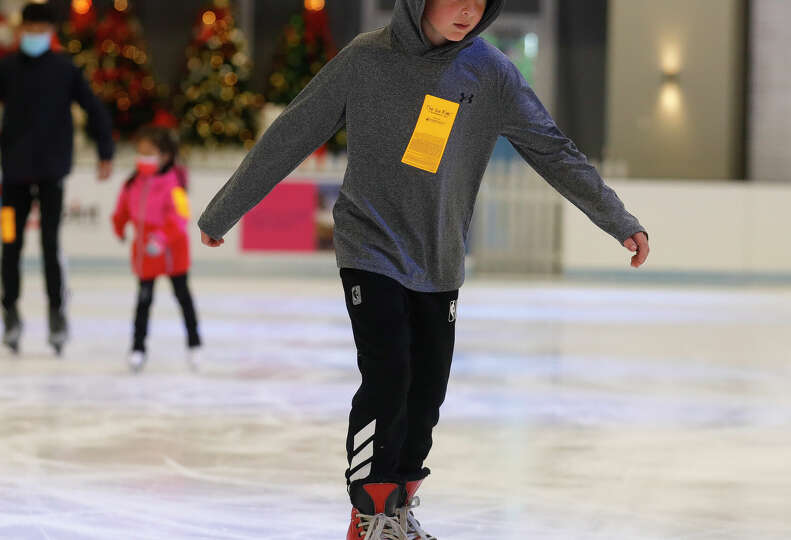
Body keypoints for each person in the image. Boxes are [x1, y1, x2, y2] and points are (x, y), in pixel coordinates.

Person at [198, 0, 650, 538]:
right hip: (370, 248)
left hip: (439, 258)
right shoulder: (365, 60)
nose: (468, 11)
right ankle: (369, 513)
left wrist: (617, 219)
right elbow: (290, 134)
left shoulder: (491, 73)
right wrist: (225, 209)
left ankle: (398, 511)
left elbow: (553, 150)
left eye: (480, 3)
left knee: (426, 391)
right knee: (389, 375)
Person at [0, 3, 115, 355]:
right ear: (20, 31)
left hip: (51, 173)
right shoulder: (5, 68)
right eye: (29, 29)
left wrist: (105, 152)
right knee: (10, 243)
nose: (34, 35)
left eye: (41, 30)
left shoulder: (65, 70)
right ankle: (10, 314)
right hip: (15, 175)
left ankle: (56, 314)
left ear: (51, 32)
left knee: (50, 244)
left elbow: (94, 109)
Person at [112, 127, 201, 373]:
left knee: (183, 297)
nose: (143, 159)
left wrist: (162, 238)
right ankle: (138, 348)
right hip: (145, 254)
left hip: (173, 251)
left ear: (165, 156)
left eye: (149, 153)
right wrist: (119, 225)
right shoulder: (132, 183)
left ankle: (194, 344)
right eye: (140, 153)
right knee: (143, 301)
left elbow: (181, 216)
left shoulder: (175, 184)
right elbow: (122, 210)